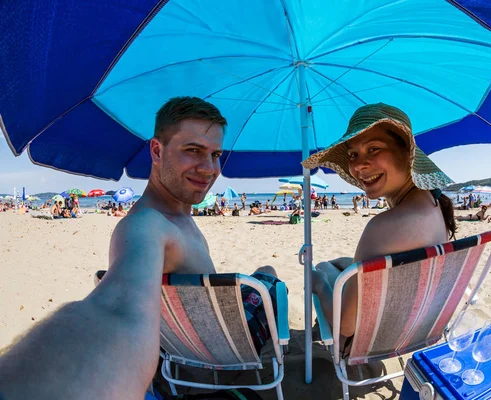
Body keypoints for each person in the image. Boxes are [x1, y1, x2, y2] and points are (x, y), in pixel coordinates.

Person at [0, 96, 282, 399]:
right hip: (226, 351)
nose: (209, 168)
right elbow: (116, 310)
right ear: (157, 151)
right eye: (193, 151)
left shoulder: (173, 218)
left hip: (190, 347)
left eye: (215, 155)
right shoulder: (146, 225)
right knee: (268, 274)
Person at [302, 103, 455, 339]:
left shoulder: (384, 227)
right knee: (340, 264)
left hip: (378, 334)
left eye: (373, 149)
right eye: (353, 154)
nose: (358, 165)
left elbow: (346, 326)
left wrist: (318, 285)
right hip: (412, 320)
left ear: (407, 152)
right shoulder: (434, 205)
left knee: (322, 268)